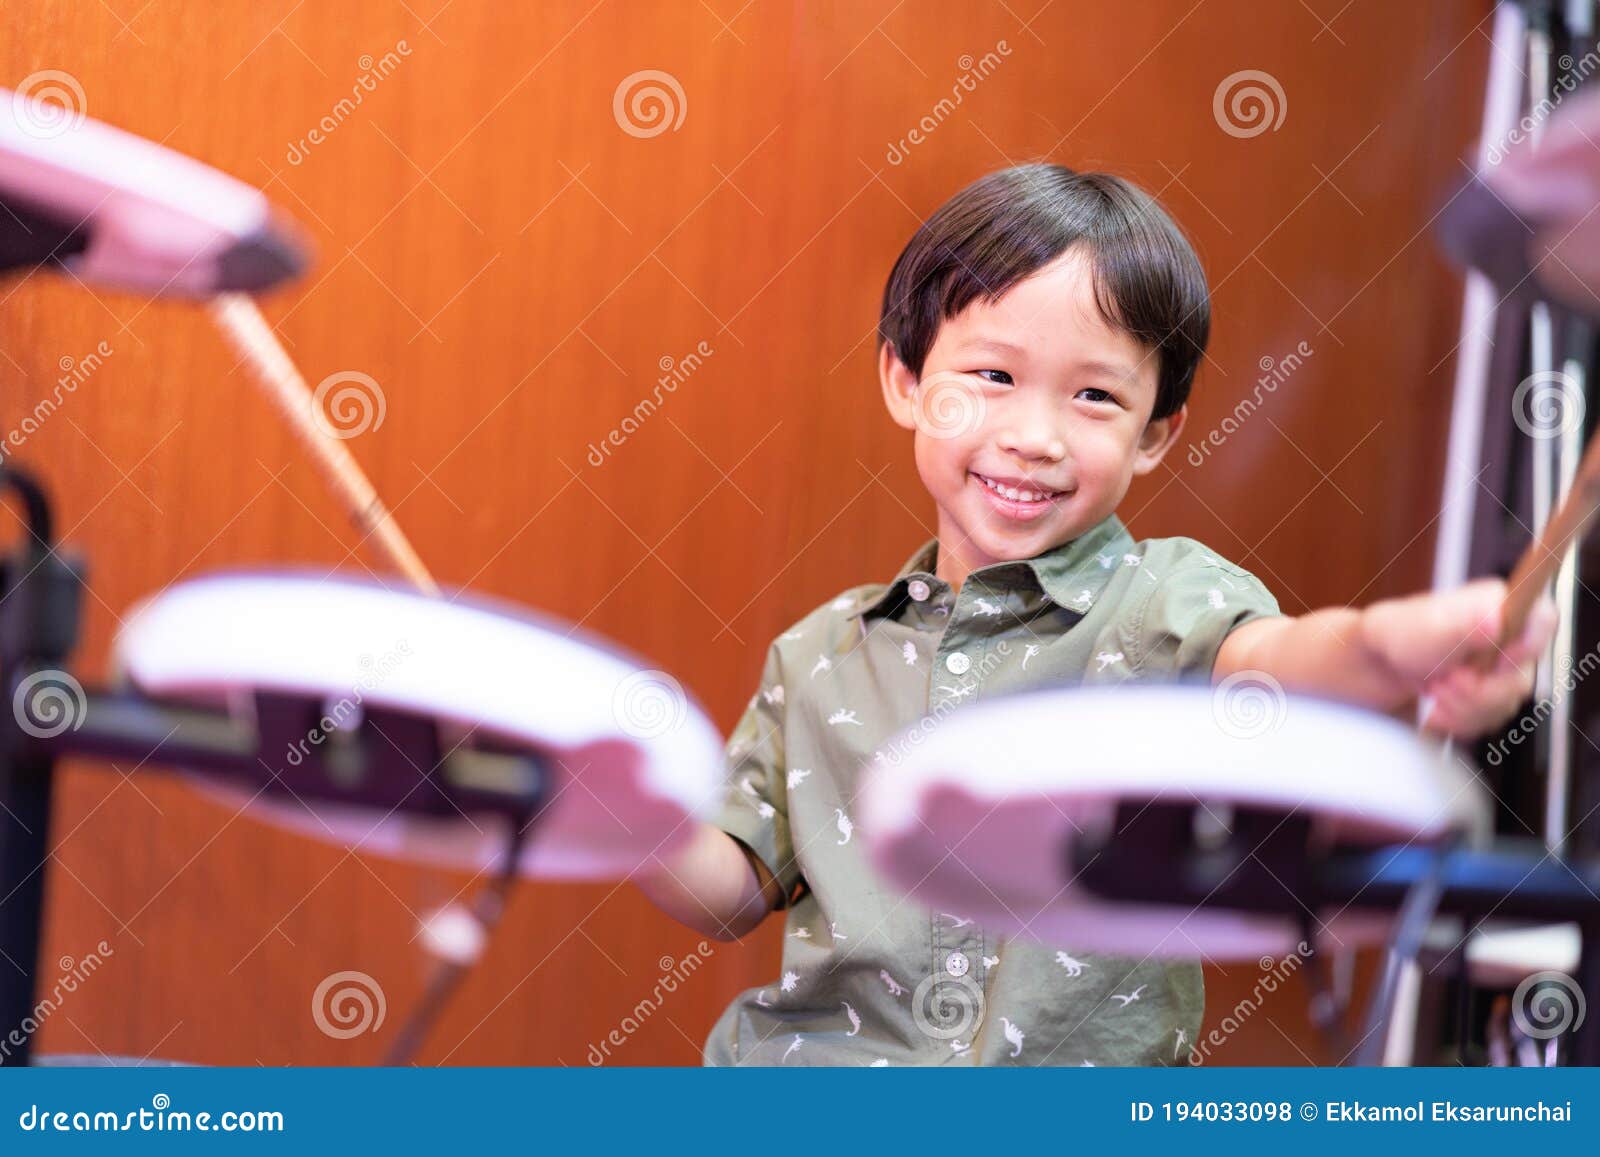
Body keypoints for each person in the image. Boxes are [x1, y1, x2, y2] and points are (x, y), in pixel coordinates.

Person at [632, 164, 1557, 1066]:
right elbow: (730, 893)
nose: (1035, 437)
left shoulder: (1168, 600)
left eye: (1095, 396)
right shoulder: (820, 651)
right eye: (992, 375)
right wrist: (623, 809)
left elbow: (1286, 660)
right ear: (906, 381)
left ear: (1155, 431)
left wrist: (1396, 645)